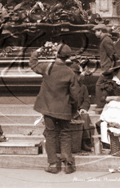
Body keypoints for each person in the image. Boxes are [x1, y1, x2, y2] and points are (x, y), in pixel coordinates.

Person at [30, 44, 81, 174]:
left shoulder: (47, 67)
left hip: (47, 108)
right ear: (68, 57)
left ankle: (53, 164)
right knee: (65, 134)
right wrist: (74, 110)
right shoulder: (70, 73)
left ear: (56, 54)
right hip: (64, 110)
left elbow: (33, 64)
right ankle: (68, 165)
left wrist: (37, 51)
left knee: (50, 134)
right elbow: (75, 96)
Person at [69, 63, 94, 152]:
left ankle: (84, 142)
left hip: (79, 111)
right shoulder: (65, 87)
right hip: (69, 111)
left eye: (76, 74)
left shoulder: (83, 87)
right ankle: (83, 141)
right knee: (80, 116)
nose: (74, 76)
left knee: (84, 116)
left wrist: (83, 108)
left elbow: (87, 100)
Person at [93, 23, 117, 108]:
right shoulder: (105, 39)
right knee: (106, 87)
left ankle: (100, 105)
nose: (95, 33)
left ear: (101, 31)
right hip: (106, 68)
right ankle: (107, 104)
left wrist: (111, 68)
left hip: (107, 69)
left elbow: (112, 54)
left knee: (99, 85)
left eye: (96, 31)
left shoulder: (106, 40)